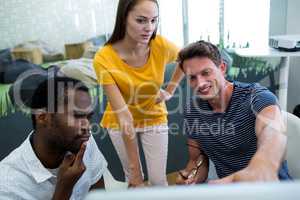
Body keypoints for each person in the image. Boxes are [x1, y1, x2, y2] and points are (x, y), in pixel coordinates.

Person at [93, 0, 184, 187]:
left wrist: (169, 90)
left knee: (159, 181)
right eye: (141, 20)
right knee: (133, 179)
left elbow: (186, 59)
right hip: (120, 122)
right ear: (124, 18)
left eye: (153, 20)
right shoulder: (104, 58)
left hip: (154, 116)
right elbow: (124, 117)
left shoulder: (160, 45)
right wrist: (135, 174)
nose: (149, 28)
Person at [175, 40, 292, 185]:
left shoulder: (255, 96)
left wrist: (263, 165)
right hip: (229, 189)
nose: (200, 83)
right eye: (192, 77)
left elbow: (273, 131)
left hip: (272, 188)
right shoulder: (192, 110)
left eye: (206, 73)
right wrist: (191, 176)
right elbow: (198, 160)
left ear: (222, 68)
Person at [0, 74, 108, 200]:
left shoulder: (83, 142)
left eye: (88, 117)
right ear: (42, 118)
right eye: (77, 116)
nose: (87, 126)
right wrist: (64, 189)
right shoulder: (7, 185)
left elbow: (100, 195)